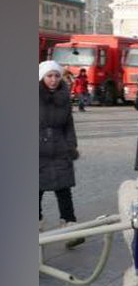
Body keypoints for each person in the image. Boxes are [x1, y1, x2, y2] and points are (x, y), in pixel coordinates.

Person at [39, 61, 85, 248]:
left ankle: (70, 228)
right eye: (49, 76)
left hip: (59, 148)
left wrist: (71, 146)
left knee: (64, 190)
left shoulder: (64, 96)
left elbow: (69, 125)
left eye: (57, 75)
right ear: (42, 77)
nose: (53, 79)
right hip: (37, 151)